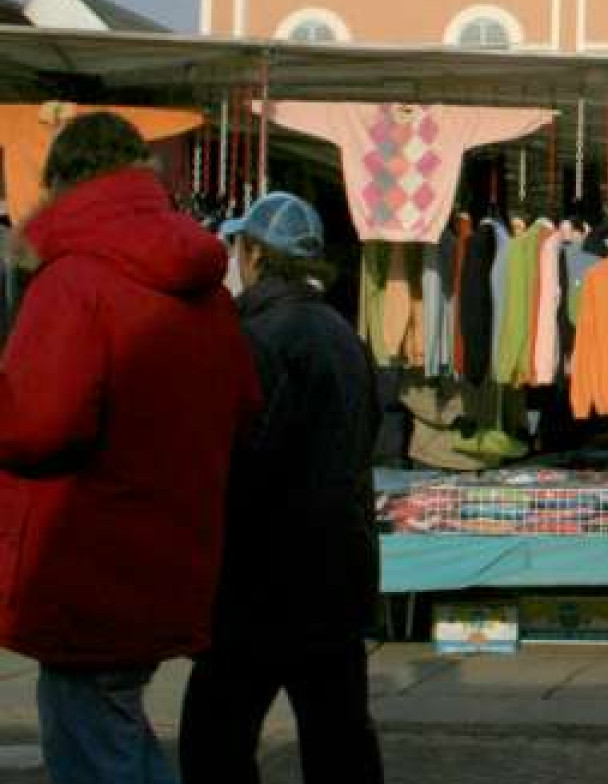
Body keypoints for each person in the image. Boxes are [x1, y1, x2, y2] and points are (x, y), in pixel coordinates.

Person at [0, 112, 259, 784]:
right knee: (120, 732)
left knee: (91, 741)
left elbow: (35, 425)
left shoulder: (74, 281)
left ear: (61, 184)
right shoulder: (207, 288)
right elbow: (244, 409)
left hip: (84, 560)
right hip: (171, 553)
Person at [180, 192, 386, 783]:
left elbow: (242, 459)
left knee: (214, 742)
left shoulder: (258, 338)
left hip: (261, 580)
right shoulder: (345, 337)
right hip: (339, 572)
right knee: (339, 743)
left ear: (254, 254)